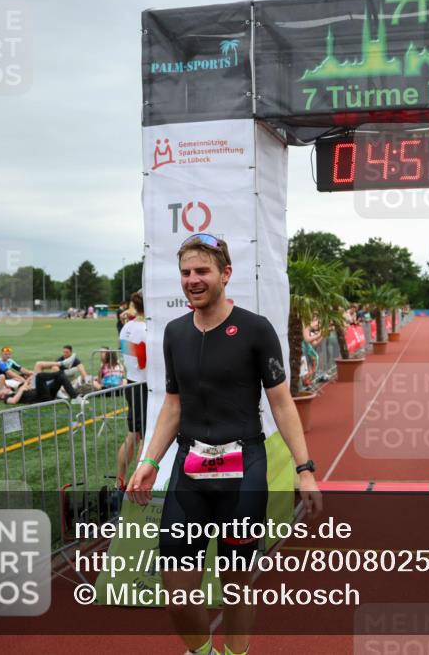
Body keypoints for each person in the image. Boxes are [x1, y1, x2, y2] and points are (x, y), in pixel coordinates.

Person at [127, 234, 321, 655]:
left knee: (237, 592)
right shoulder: (175, 333)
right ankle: (204, 652)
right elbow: (173, 405)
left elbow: (283, 405)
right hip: (190, 472)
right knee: (178, 596)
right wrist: (149, 461)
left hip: (243, 471)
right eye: (185, 273)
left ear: (225, 274)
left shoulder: (255, 329)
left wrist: (305, 471)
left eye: (202, 271)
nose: (192, 280)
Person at [117, 292, 147, 490]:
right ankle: (137, 484)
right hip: (144, 385)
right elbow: (146, 360)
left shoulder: (127, 326)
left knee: (132, 435)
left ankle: (120, 481)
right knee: (145, 438)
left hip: (132, 382)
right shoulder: (146, 328)